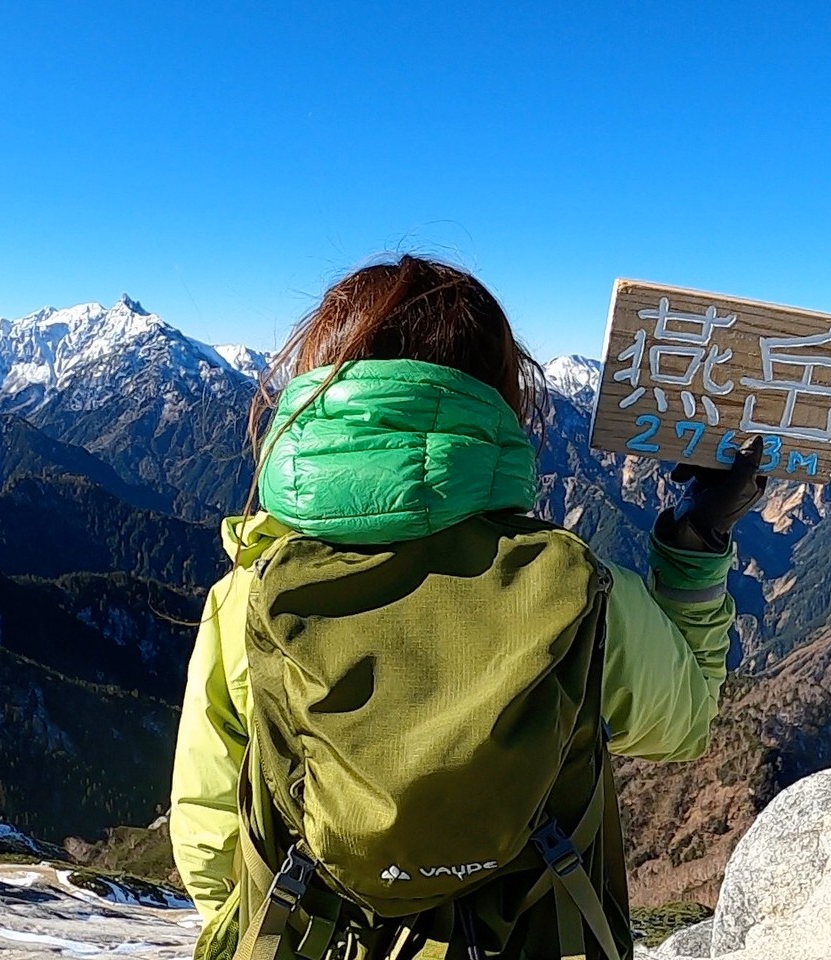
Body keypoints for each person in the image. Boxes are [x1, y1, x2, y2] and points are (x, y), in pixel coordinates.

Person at [170, 254, 765, 960]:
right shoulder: (578, 586)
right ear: (499, 402)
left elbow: (209, 837)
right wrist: (698, 533)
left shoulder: (250, 599)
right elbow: (688, 721)